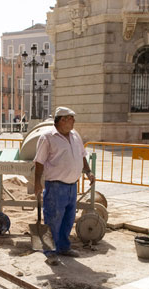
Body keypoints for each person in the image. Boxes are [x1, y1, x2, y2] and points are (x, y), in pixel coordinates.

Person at [34, 107, 95, 266]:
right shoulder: (47, 137)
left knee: (68, 220)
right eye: (71, 118)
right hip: (55, 187)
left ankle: (63, 247)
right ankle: (50, 252)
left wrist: (88, 172)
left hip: (71, 186)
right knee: (52, 221)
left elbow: (82, 156)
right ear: (62, 120)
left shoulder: (75, 136)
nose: (74, 121)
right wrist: (37, 183)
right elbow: (39, 162)